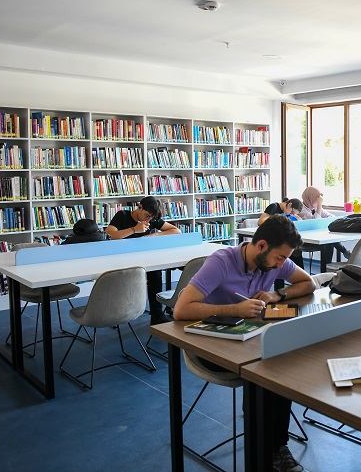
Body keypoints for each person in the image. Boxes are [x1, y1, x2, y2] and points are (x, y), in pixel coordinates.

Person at [173, 214, 315, 472]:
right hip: (211, 344)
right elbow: (181, 310)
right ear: (261, 246)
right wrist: (234, 309)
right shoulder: (221, 262)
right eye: (279, 258)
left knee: (281, 360)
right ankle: (266, 451)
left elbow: (309, 283)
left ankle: (275, 447)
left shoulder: (274, 260)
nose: (281, 264)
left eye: (284, 259)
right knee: (268, 369)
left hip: (249, 339)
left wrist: (278, 294)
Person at [105, 196, 181, 325]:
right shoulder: (122, 216)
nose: (148, 220)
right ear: (139, 207)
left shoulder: (151, 219)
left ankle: (156, 315)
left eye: (150, 218)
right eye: (146, 216)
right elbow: (109, 235)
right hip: (122, 259)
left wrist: (155, 235)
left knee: (155, 273)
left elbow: (176, 231)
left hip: (143, 259)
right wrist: (134, 229)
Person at [298, 186, 350, 271]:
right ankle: (344, 252)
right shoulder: (301, 209)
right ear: (310, 198)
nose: (318, 202)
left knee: (329, 242)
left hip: (317, 237)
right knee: (328, 243)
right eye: (317, 199)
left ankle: (325, 270)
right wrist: (319, 206)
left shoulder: (315, 207)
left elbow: (331, 217)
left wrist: (320, 210)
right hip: (306, 240)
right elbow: (315, 221)